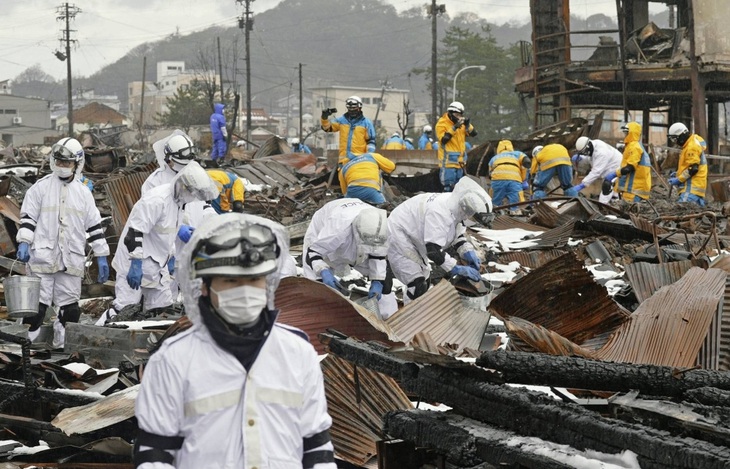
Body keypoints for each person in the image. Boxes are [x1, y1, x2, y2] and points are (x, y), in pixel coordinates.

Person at [134, 213, 336, 469]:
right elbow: (154, 455)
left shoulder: (298, 353)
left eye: (254, 280)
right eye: (231, 281)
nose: (245, 290)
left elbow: (317, 448)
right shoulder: (172, 360)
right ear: (205, 287)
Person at [17, 137, 110, 346]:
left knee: (70, 311)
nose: (62, 167)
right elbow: (28, 219)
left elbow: (94, 226)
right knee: (35, 311)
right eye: (59, 162)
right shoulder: (39, 189)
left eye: (67, 163)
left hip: (71, 260)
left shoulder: (84, 194)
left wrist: (102, 256)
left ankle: (62, 349)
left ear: (77, 163)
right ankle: (25, 351)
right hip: (42, 258)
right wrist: (24, 241)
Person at [110, 162, 219, 317]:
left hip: (157, 264)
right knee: (124, 309)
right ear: (182, 185)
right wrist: (135, 263)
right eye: (192, 192)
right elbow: (133, 233)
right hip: (134, 260)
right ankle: (91, 335)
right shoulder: (157, 200)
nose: (193, 196)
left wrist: (172, 256)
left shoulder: (179, 204)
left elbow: (167, 235)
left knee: (162, 311)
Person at [387, 176, 492, 301]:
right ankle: (410, 318)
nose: (473, 221)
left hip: (413, 233)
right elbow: (433, 250)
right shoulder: (440, 213)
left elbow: (457, 235)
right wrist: (455, 268)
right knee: (416, 283)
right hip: (399, 234)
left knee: (424, 278)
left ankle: (418, 314)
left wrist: (467, 251)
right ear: (467, 210)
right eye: (474, 218)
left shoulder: (456, 206)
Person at [303, 198, 392, 305]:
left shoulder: (381, 226)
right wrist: (323, 271)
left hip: (359, 229)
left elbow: (378, 254)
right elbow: (313, 252)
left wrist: (377, 280)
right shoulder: (337, 229)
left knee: (385, 284)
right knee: (317, 286)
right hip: (327, 223)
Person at [602, 122, 652, 202]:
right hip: (632, 189)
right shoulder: (633, 146)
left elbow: (629, 168)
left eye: (626, 133)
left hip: (633, 190)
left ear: (632, 133)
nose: (625, 135)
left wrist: (614, 175)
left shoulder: (634, 147)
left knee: (630, 213)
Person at [435, 101, 477, 192]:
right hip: (448, 163)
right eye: (456, 115)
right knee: (448, 187)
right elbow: (444, 139)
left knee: (458, 189)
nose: (458, 117)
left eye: (460, 115)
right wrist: (454, 127)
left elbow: (474, 133)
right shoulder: (442, 123)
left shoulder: (461, 124)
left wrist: (467, 125)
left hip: (460, 163)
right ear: (450, 113)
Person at [141, 130, 197, 195]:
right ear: (168, 160)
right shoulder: (155, 181)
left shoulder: (194, 175)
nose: (184, 169)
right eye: (181, 165)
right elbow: (148, 204)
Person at [321, 95, 376, 160]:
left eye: (354, 109)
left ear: (359, 107)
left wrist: (368, 156)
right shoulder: (341, 120)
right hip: (343, 161)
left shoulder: (366, 123)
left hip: (360, 160)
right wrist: (324, 117)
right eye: (350, 109)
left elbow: (371, 142)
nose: (352, 111)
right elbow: (327, 128)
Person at [570, 136, 623, 203]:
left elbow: (596, 172)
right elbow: (591, 158)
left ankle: (603, 207)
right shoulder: (593, 145)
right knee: (610, 192)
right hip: (609, 169)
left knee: (607, 188)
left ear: (588, 147)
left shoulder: (601, 153)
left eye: (584, 152)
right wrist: (581, 158)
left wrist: (582, 185)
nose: (584, 154)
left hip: (615, 170)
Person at [667, 122, 707, 206]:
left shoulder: (691, 147)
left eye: (675, 139)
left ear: (681, 136)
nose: (675, 142)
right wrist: (678, 173)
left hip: (690, 188)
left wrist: (679, 179)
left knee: (681, 212)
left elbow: (693, 169)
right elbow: (690, 165)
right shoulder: (691, 143)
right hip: (696, 189)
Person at [488, 140, 530, 215]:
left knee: (495, 202)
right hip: (514, 180)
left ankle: (495, 213)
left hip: (498, 180)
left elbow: (490, 173)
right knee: (515, 202)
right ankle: (515, 212)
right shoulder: (517, 154)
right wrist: (523, 180)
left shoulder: (494, 158)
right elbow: (525, 163)